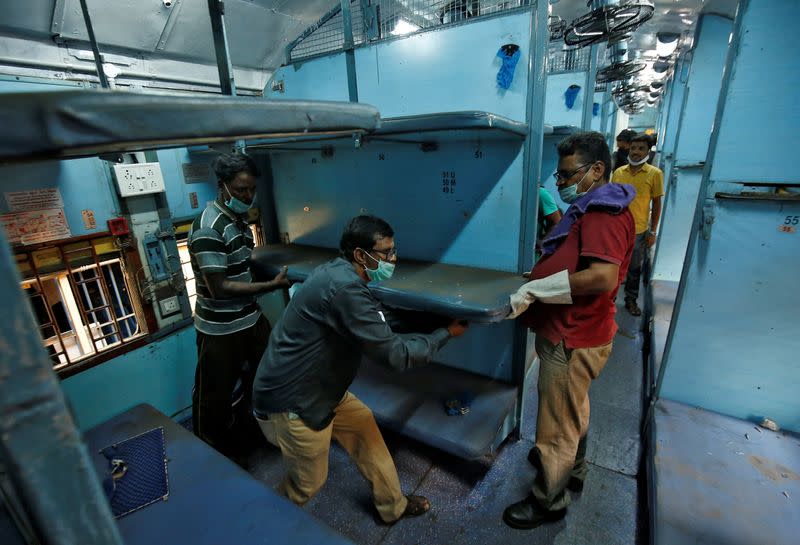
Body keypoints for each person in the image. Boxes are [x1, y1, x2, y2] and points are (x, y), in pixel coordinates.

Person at [252, 215, 468, 524]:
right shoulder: (344, 289)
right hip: (294, 403)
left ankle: (392, 505)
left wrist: (433, 322)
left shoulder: (339, 274)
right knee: (308, 484)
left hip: (324, 389)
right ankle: (263, 527)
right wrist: (445, 335)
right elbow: (396, 355)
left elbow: (380, 319)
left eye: (394, 251)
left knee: (364, 426)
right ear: (359, 254)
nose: (393, 259)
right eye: (386, 253)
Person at [503, 132, 636, 530]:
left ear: (597, 170)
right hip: (580, 331)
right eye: (558, 177)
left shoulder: (602, 214)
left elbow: (600, 277)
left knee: (556, 421)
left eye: (566, 176)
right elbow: (576, 258)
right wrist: (539, 274)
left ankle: (549, 499)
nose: (559, 184)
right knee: (573, 407)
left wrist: (537, 288)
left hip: (572, 335)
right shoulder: (595, 205)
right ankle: (573, 467)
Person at [189, 153, 289, 462]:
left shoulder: (238, 220)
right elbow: (220, 288)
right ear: (222, 186)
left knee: (268, 372)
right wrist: (270, 286)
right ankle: (213, 452)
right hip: (219, 328)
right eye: (240, 190)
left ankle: (251, 426)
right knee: (213, 395)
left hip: (248, 316)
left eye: (251, 189)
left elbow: (239, 265)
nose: (247, 196)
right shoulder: (209, 227)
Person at [612, 133, 664, 316]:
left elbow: (657, 204)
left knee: (634, 269)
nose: (635, 152)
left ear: (648, 152)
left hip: (639, 230)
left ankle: (630, 300)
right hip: (617, 229)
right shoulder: (619, 173)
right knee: (612, 266)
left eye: (641, 148)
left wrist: (653, 232)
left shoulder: (655, 174)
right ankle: (608, 299)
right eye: (633, 148)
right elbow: (610, 198)